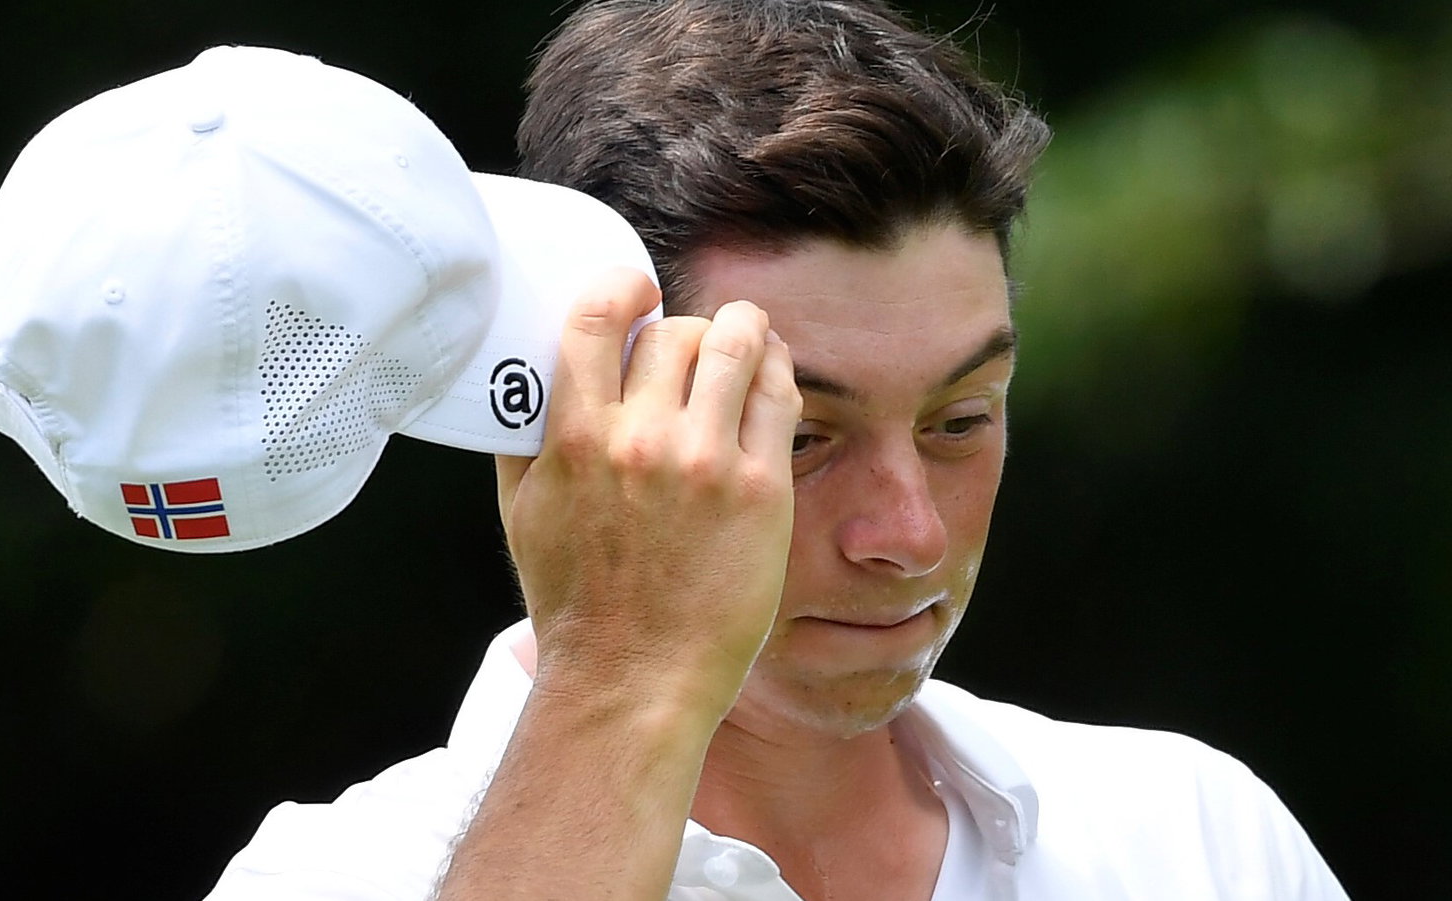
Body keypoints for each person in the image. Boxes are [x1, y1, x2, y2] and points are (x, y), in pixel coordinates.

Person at [207, 1, 1349, 898]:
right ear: (576, 413)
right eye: (799, 434)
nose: (907, 535)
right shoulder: (334, 880)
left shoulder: (1195, 841)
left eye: (961, 419)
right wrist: (618, 664)